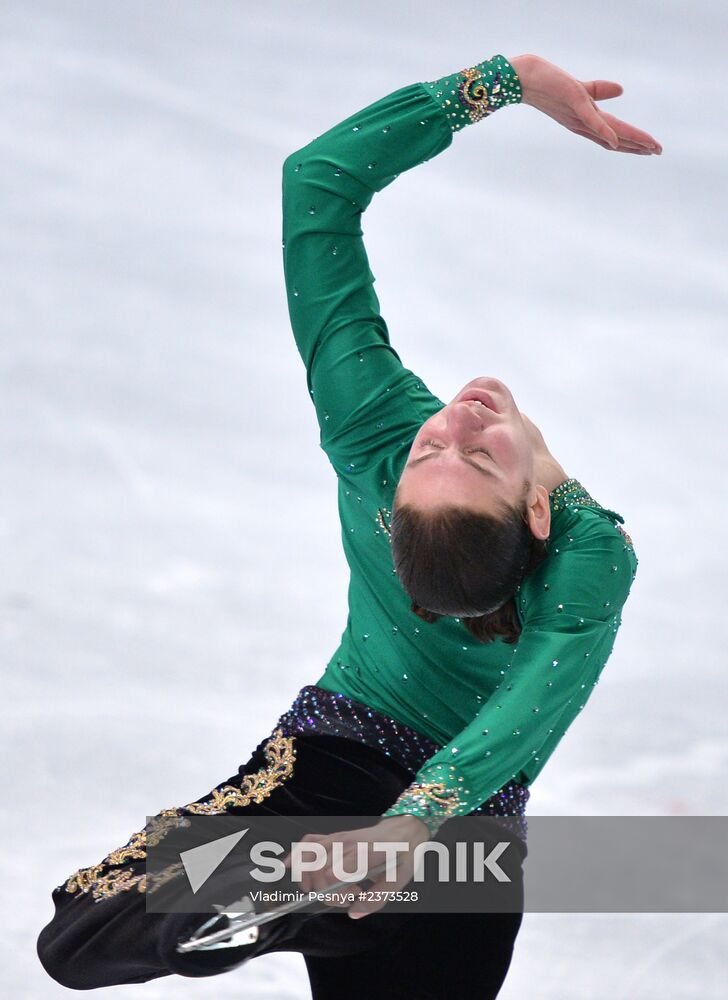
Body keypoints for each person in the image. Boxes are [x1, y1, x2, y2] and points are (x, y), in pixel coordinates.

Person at [37, 50, 657, 998]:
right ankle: (301, 891)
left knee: (82, 936)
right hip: (460, 855)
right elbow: (526, 706)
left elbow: (319, 186)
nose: (453, 418)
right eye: (445, 447)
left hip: (330, 792)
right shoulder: (580, 548)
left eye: (458, 451)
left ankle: (286, 891)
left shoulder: (378, 437)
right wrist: (417, 826)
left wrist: (500, 84)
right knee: (73, 942)